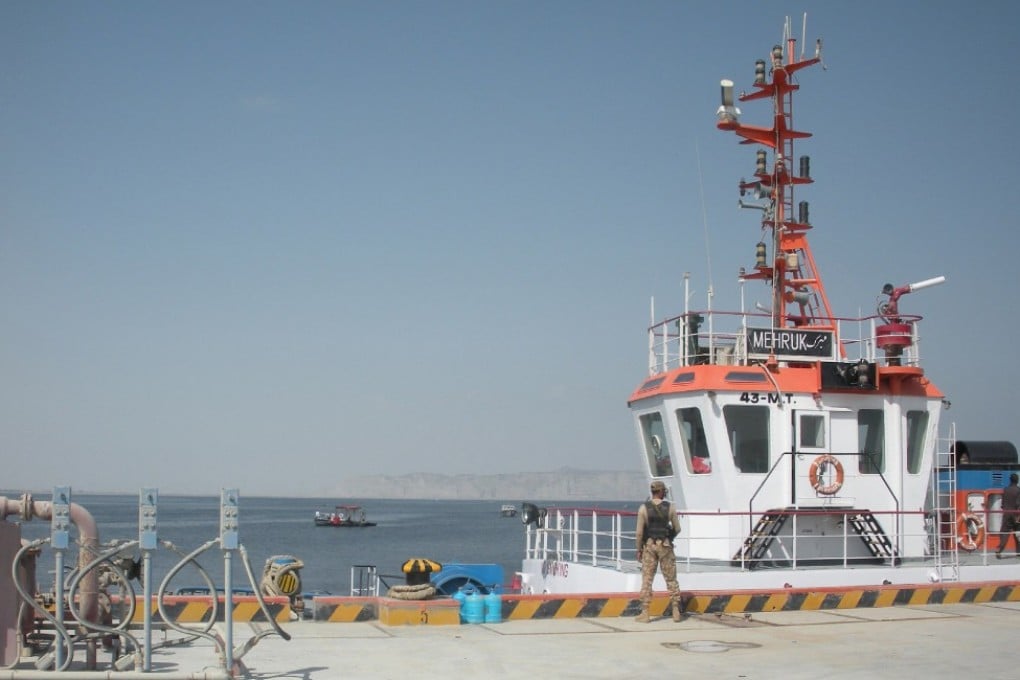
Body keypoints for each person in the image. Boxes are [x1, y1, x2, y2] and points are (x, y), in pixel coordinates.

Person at [634, 480, 682, 622]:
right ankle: (675, 611)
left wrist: (639, 549)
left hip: (649, 546)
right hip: (665, 546)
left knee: (647, 579)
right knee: (671, 578)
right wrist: (668, 538)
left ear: (652, 491)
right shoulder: (671, 508)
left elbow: (639, 533)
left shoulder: (643, 508)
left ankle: (645, 612)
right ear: (661, 492)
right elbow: (677, 528)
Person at [995, 472, 1020, 559]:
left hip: (1006, 514)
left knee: (1005, 533)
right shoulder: (1018, 490)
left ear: (1010, 480)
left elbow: (1002, 504)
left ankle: (999, 550)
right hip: (1016, 514)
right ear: (1017, 480)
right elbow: (1018, 504)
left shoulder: (1006, 489)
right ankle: (1018, 552)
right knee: (1018, 533)